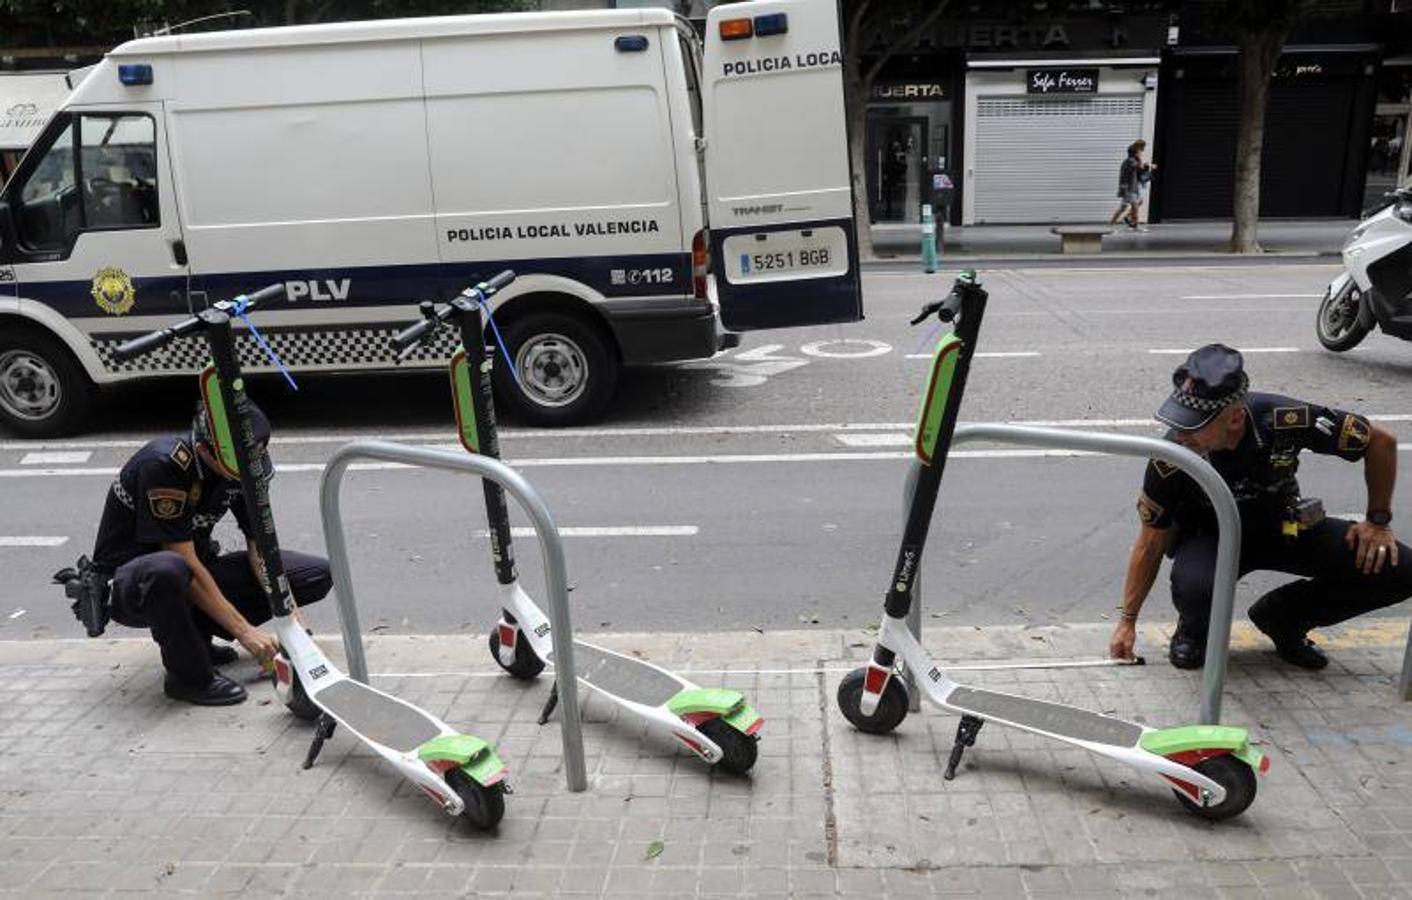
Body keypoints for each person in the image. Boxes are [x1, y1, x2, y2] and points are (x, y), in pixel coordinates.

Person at [1108, 344, 1412, 670]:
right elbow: (1150, 542)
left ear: (1235, 417)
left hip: (1282, 525)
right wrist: (1127, 622)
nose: (1181, 433)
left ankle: (1284, 618)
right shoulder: (1172, 456)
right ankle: (1195, 631)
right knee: (1196, 587)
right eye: (1180, 420)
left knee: (1400, 569)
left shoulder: (1282, 419)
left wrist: (1377, 521)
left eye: (1194, 424)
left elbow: (1380, 441)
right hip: (1211, 535)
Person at [91, 401, 332, 705]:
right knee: (169, 569)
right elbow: (183, 560)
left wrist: (301, 639)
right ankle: (189, 679)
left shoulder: (246, 463)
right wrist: (245, 632)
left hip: (190, 572)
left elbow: (262, 555)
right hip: (134, 585)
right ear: (205, 451)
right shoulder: (165, 466)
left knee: (315, 574)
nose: (249, 466)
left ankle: (196, 638)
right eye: (240, 461)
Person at [1109, 140, 1155, 232]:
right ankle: (1135, 225)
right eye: (1140, 151)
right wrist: (1148, 165)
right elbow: (1140, 167)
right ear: (1135, 152)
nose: (1141, 152)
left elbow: (1140, 170)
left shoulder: (1132, 161)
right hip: (1129, 188)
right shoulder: (1130, 161)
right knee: (1134, 206)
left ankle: (1112, 224)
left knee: (1126, 206)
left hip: (1132, 187)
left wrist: (1145, 164)